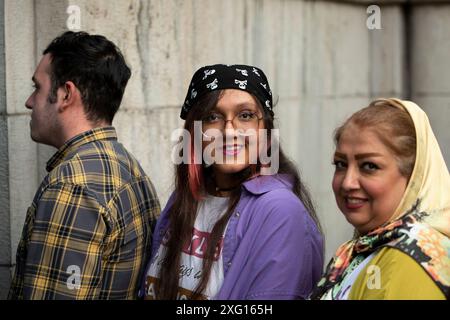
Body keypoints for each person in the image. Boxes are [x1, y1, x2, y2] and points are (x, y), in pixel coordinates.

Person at [141, 64, 324, 300]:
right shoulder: (185, 198)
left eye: (245, 115)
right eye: (212, 117)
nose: (228, 131)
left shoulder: (279, 210)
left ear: (265, 129)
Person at [8, 31, 160, 299]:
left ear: (66, 94)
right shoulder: (128, 166)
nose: (29, 102)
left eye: (37, 88)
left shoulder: (72, 186)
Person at [311, 98, 449, 300]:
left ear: (414, 176)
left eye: (369, 166)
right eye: (341, 164)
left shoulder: (409, 259)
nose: (348, 182)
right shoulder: (366, 248)